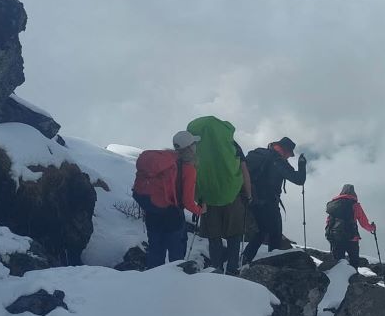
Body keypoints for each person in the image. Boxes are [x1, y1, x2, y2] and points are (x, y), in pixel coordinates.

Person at [186, 116, 251, 275]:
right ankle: (232, 269)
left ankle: (216, 268)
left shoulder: (195, 147)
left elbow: (191, 173)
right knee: (234, 235)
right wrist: (248, 194)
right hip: (233, 196)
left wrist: (196, 197)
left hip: (207, 199)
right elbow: (244, 171)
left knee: (214, 237)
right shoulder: (232, 145)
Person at [131, 131, 205, 268]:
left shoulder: (165, 162)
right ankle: (175, 284)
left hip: (153, 212)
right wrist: (200, 210)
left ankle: (152, 282)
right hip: (173, 216)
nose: (196, 146)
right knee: (176, 256)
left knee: (155, 251)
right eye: (194, 143)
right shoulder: (188, 169)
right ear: (189, 147)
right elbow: (188, 201)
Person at [241, 137, 308, 265]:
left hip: (253, 199)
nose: (289, 157)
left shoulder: (262, 155)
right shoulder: (277, 161)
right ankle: (273, 264)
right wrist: (302, 164)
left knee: (261, 231)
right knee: (275, 234)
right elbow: (299, 180)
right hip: (269, 202)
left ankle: (245, 259)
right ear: (285, 150)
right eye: (289, 154)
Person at [324, 184, 375, 266]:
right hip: (351, 237)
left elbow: (328, 221)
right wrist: (372, 228)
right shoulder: (355, 205)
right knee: (354, 261)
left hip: (335, 236)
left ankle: (339, 277)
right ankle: (353, 276)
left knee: (338, 261)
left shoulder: (334, 205)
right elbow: (364, 223)